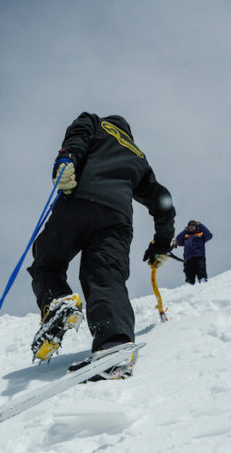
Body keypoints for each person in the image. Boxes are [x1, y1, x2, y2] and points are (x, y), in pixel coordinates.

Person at [27, 112, 176, 379]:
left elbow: (77, 138)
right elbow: (162, 199)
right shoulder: (137, 156)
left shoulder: (94, 122)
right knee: (105, 276)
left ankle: (58, 300)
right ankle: (113, 344)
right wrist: (162, 243)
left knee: (47, 261)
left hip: (78, 203)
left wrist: (65, 161)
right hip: (116, 220)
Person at [175, 219, 213, 283]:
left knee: (201, 272)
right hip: (188, 259)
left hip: (199, 257)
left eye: (193, 225)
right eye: (190, 225)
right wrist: (184, 231)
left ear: (196, 227)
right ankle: (190, 288)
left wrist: (201, 225)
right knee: (189, 277)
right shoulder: (186, 237)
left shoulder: (200, 235)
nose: (191, 226)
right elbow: (177, 241)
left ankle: (203, 284)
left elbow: (209, 235)